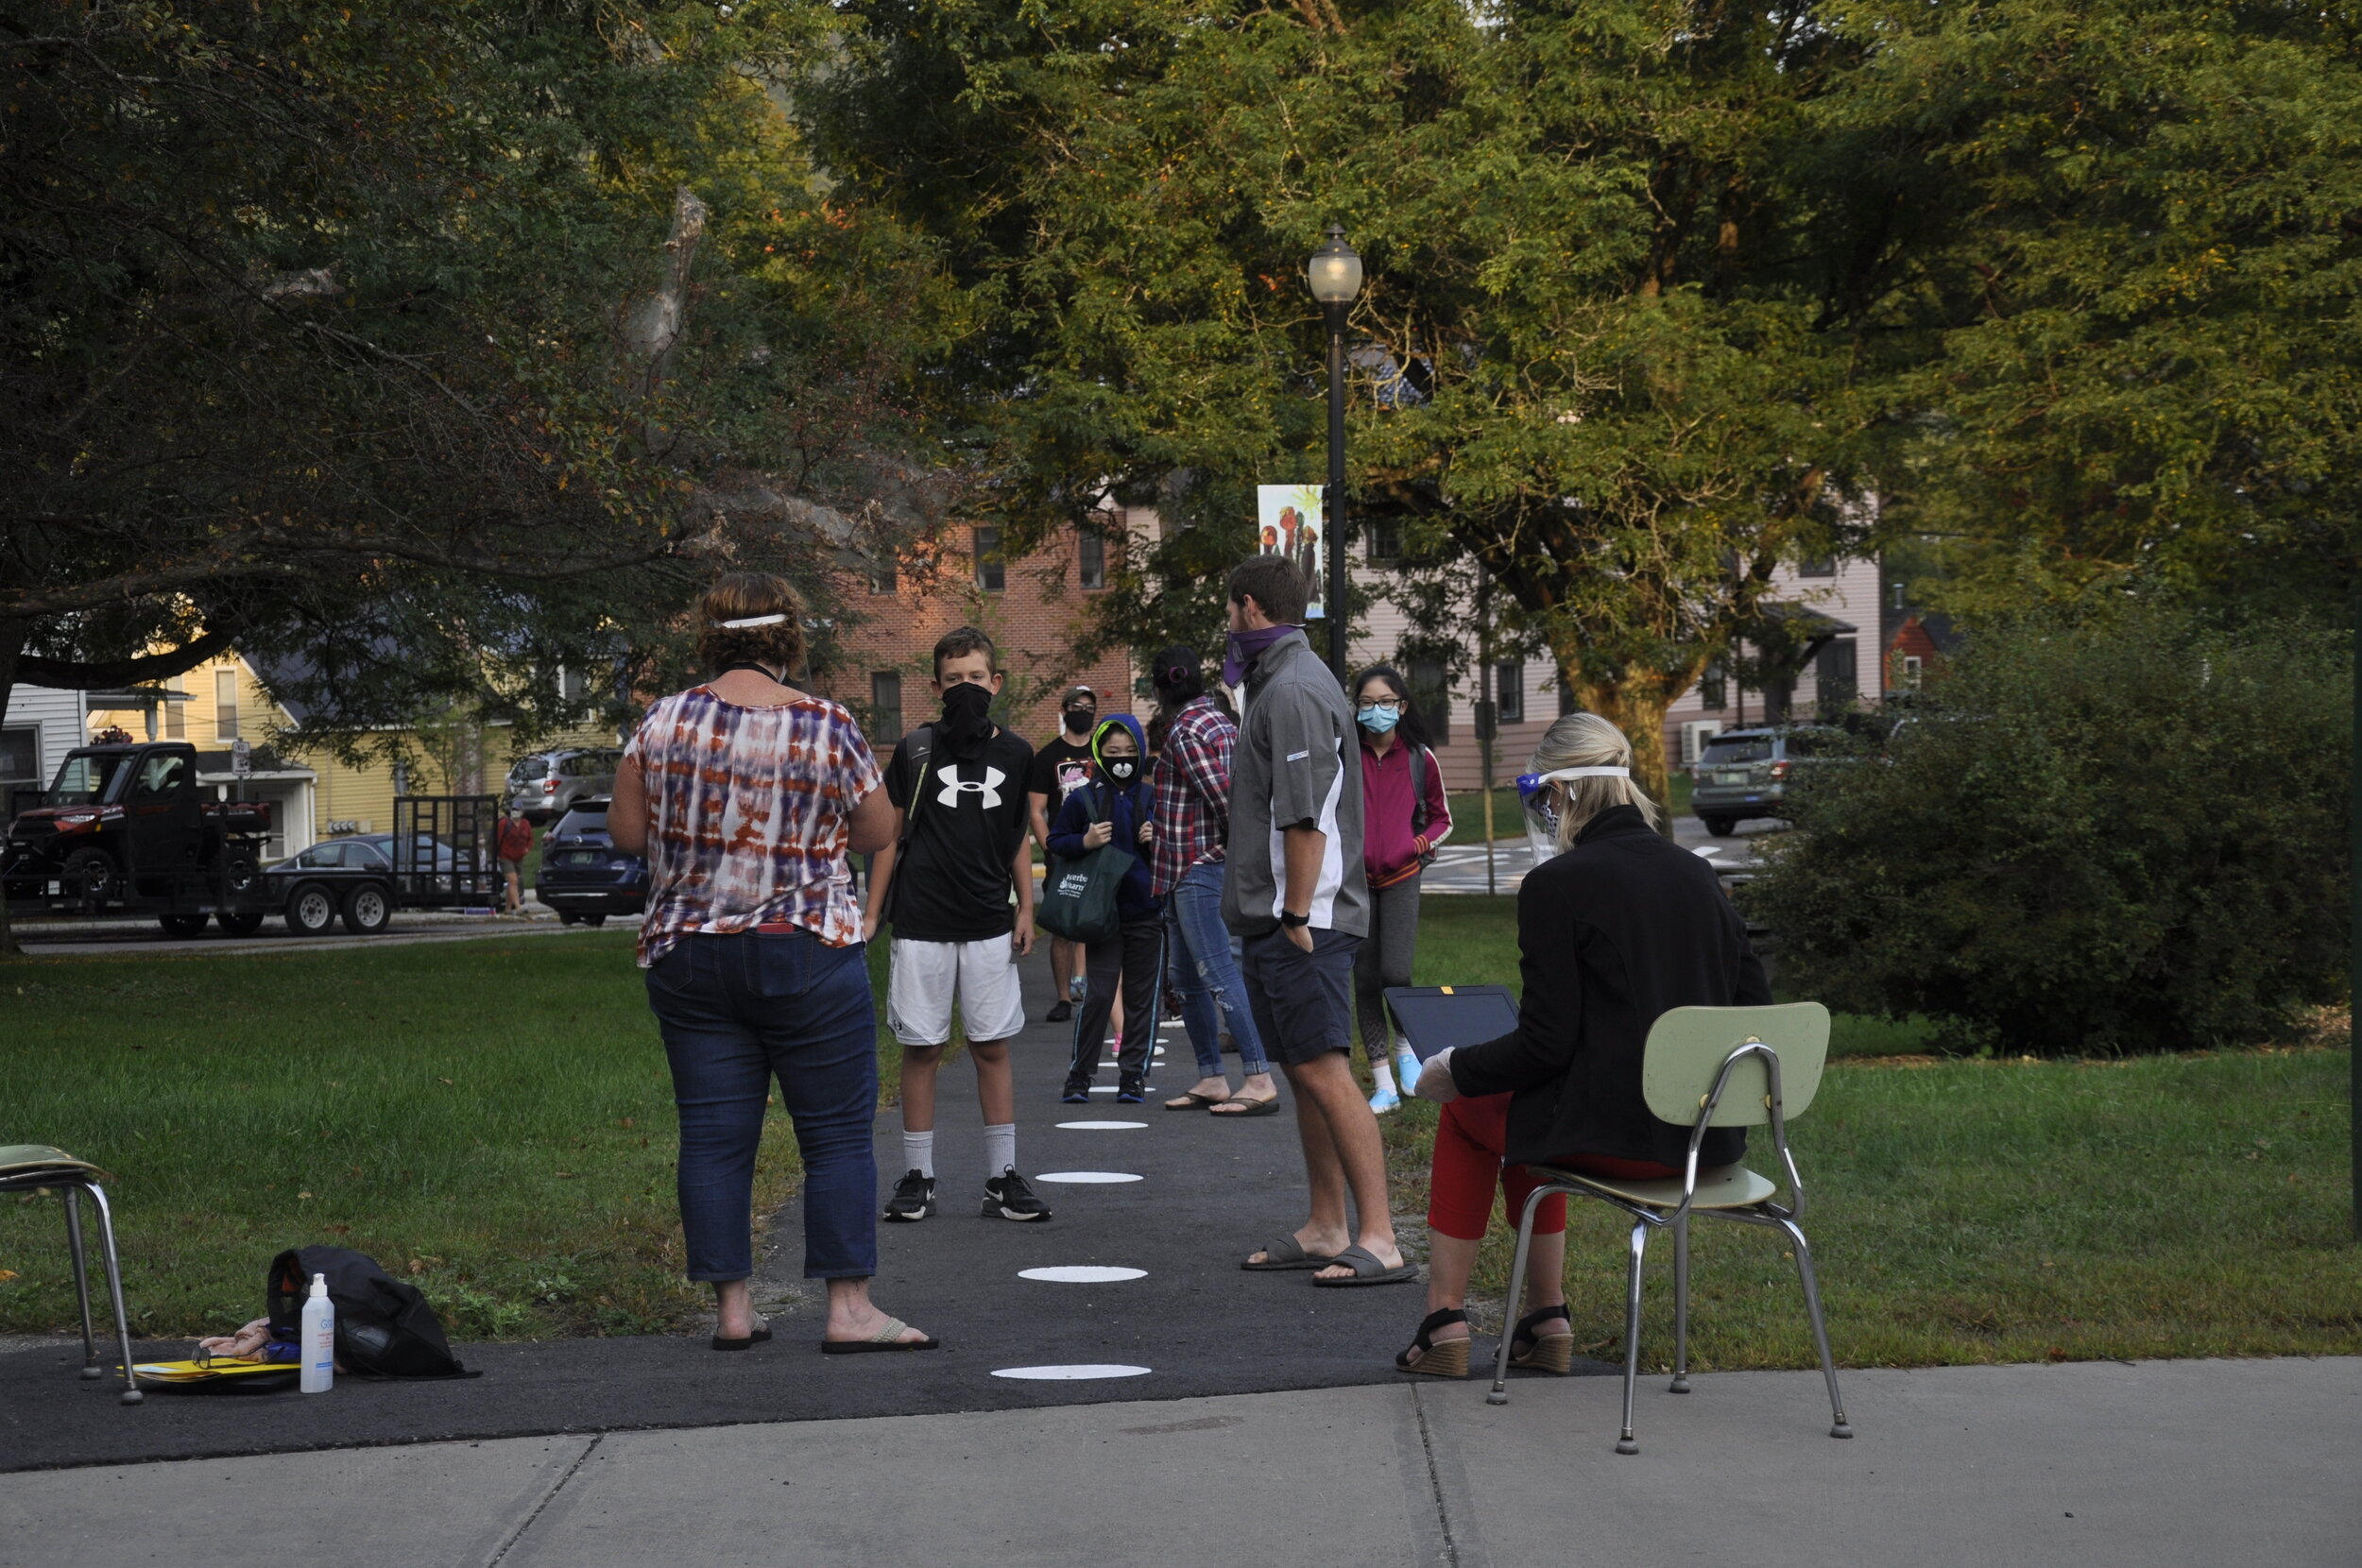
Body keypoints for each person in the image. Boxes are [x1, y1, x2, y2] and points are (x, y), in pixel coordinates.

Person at [608, 571, 933, 1354]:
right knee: (836, 1135)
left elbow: (627, 834)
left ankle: (732, 1310)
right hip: (806, 948)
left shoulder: (662, 720)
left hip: (690, 952)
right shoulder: (827, 724)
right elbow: (876, 830)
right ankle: (849, 1310)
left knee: (714, 1134)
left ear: (709, 637)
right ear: (789, 638)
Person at [1399, 711, 1772, 1376]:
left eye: (1541, 796)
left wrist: (1455, 1067)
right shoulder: (1697, 874)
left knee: (1470, 1109)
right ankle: (1544, 1317)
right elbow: (1754, 1011)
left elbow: (1545, 1045)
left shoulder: (1557, 885)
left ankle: (1444, 1320)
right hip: (1706, 1144)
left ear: (1562, 792)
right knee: (1526, 1107)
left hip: (1620, 1143)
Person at [1224, 557, 1412, 1287]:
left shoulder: (1296, 688)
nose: (1227, 622)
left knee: (1324, 1070)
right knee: (1304, 1072)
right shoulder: (1278, 680)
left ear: (1248, 607)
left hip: (1306, 916)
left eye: (1229, 609)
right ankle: (1327, 1224)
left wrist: (1298, 914)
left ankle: (1381, 1238)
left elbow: (1303, 814)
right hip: (1280, 914)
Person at [864, 626, 1051, 1224]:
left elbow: (1016, 837)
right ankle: (918, 1175)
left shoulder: (1017, 754)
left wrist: (1026, 907)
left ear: (996, 683)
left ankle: (1002, 1176)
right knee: (922, 1048)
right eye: (953, 680)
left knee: (990, 1046)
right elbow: (888, 837)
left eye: (975, 678)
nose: (965, 688)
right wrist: (872, 913)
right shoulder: (915, 749)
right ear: (935, 687)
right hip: (922, 920)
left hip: (988, 920)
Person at [1146, 645, 1280, 1116]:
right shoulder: (1221, 721)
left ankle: (1259, 1078)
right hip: (1185, 869)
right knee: (1186, 979)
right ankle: (1212, 1077)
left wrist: (1230, 851)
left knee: (1218, 975)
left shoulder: (1185, 730)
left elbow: (1225, 800)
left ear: (1158, 688)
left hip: (1196, 867)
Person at [1350, 666, 1453, 1113]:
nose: (1377, 710)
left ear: (1402, 706)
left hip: (1401, 880)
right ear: (1356, 707)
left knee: (1395, 973)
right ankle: (1383, 1084)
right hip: (1354, 883)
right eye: (1367, 702)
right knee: (1365, 978)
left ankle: (1408, 1056)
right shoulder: (1345, 755)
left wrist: (1415, 845)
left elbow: (1442, 818)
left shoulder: (1419, 758)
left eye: (1386, 702)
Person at [1049, 715, 1165, 1104]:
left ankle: (1133, 1075)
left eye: (1130, 751)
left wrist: (1157, 840)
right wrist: (1084, 841)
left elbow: (1177, 851)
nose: (1122, 758)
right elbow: (1056, 841)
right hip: (1100, 913)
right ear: (1099, 753)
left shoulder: (1153, 797)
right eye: (1113, 751)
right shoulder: (1084, 797)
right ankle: (1079, 1074)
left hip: (1146, 910)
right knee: (1098, 994)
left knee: (1141, 998)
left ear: (1141, 752)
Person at [1026, 685, 1099, 1024]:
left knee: (1096, 922)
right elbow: (1036, 811)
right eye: (1076, 706)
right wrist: (1050, 847)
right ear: (1064, 710)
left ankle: (1089, 985)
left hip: (1100, 848)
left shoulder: (1102, 753)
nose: (1083, 712)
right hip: (1064, 851)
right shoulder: (1047, 757)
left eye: (1089, 707)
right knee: (1062, 926)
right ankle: (1063, 998)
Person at [496, 806, 535, 916]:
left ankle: (508, 909)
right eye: (513, 810)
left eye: (518, 810)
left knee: (512, 883)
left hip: (519, 857)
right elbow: (497, 839)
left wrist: (527, 849)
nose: (515, 812)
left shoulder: (525, 824)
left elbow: (530, 839)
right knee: (513, 881)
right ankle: (518, 907)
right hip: (505, 856)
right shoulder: (504, 823)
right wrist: (495, 854)